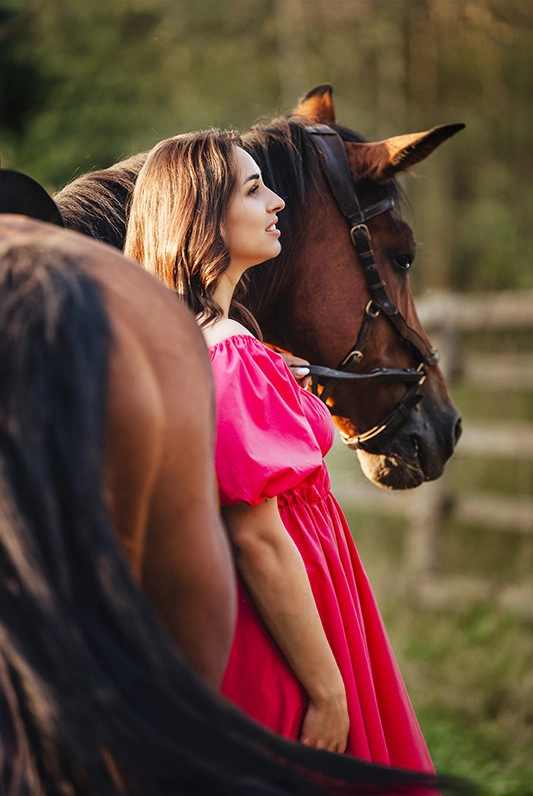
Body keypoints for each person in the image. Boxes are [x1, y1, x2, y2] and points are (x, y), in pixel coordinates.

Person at [124, 130, 433, 771]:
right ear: (201, 215)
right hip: (283, 624)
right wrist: (325, 689)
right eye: (254, 188)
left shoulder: (193, 341)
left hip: (277, 607)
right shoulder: (228, 349)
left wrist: (271, 377)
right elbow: (258, 538)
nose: (279, 204)